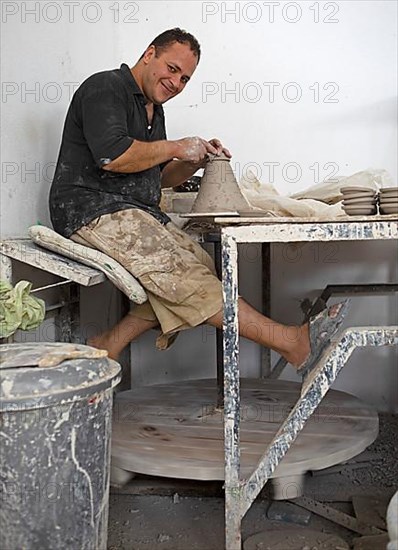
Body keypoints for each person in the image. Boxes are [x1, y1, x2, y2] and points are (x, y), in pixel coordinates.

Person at [49, 28, 349, 376]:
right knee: (184, 277)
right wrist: (177, 146)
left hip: (133, 210)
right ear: (149, 54)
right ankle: (291, 342)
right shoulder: (105, 88)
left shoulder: (152, 109)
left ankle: (108, 344)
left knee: (200, 264)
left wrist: (195, 161)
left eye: (185, 78)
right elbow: (113, 157)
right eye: (172, 69)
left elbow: (155, 177)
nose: (176, 82)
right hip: (90, 209)